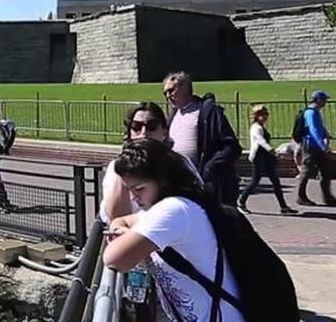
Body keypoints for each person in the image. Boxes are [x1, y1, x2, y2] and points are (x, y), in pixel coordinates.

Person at [103, 139, 247, 322]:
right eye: (129, 189)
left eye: (139, 188)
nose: (133, 197)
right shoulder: (176, 206)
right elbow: (121, 219)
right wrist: (126, 232)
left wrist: (126, 236)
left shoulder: (173, 210)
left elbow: (115, 259)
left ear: (162, 180)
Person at [100, 102, 203, 222]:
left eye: (151, 126)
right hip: (132, 234)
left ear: (164, 132)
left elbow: (198, 201)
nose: (144, 132)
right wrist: (124, 167)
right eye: (136, 127)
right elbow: (116, 216)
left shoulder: (179, 162)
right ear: (129, 133)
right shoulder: (116, 167)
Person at [162, 71, 242, 203]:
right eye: (165, 93)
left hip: (208, 186)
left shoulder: (208, 111)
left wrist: (208, 170)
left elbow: (231, 146)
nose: (168, 95)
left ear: (185, 87)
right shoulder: (173, 115)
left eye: (171, 90)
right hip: (181, 186)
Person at [238, 105, 298, 215]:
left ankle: (283, 207)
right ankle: (241, 202)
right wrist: (271, 150)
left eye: (266, 114)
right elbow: (260, 141)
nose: (265, 117)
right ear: (256, 116)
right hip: (259, 157)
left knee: (275, 181)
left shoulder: (261, 127)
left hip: (266, 157)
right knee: (255, 182)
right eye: (262, 115)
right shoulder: (256, 128)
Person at [297, 90, 336, 206]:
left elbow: (319, 128)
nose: (325, 102)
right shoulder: (311, 113)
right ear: (318, 100)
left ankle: (328, 197)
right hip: (310, 146)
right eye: (324, 100)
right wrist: (324, 147)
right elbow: (313, 130)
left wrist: (325, 133)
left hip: (317, 145)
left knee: (326, 171)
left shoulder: (316, 112)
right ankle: (301, 196)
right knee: (306, 172)